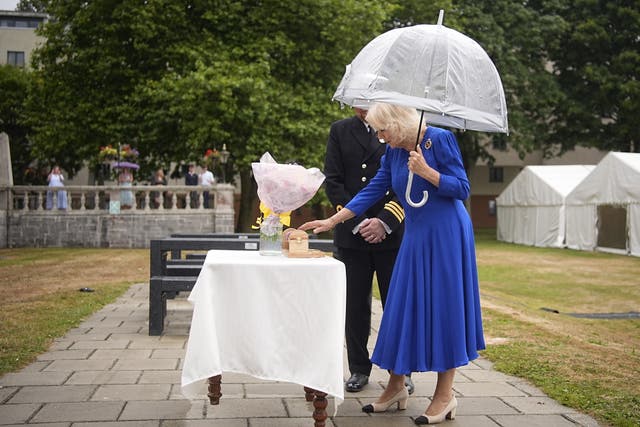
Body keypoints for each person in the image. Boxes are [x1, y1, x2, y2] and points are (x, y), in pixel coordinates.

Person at [300, 103, 485, 425]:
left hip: (445, 235)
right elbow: (373, 189)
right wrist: (333, 220)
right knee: (401, 308)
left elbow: (463, 188)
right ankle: (396, 387)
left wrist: (428, 172)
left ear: (398, 124)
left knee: (442, 309)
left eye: (383, 131)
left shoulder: (438, 139)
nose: (381, 138)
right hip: (415, 236)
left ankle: (445, 396)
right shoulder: (396, 152)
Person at [324, 107, 413, 394]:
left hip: (392, 232)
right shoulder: (339, 130)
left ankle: (400, 372)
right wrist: (360, 222)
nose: (362, 104)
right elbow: (334, 182)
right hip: (352, 233)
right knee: (355, 307)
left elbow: (405, 181)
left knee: (396, 306)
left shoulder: (398, 131)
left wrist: (385, 221)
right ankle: (358, 369)